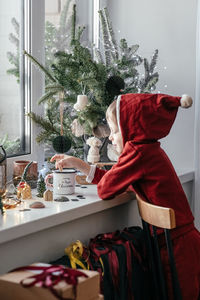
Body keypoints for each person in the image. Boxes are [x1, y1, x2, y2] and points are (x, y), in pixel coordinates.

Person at [49, 93, 200, 299]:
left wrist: (91, 172)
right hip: (176, 241)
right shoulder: (147, 149)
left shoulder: (137, 152)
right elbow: (112, 180)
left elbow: (105, 189)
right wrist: (79, 164)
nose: (110, 137)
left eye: (114, 130)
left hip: (178, 247)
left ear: (132, 127)